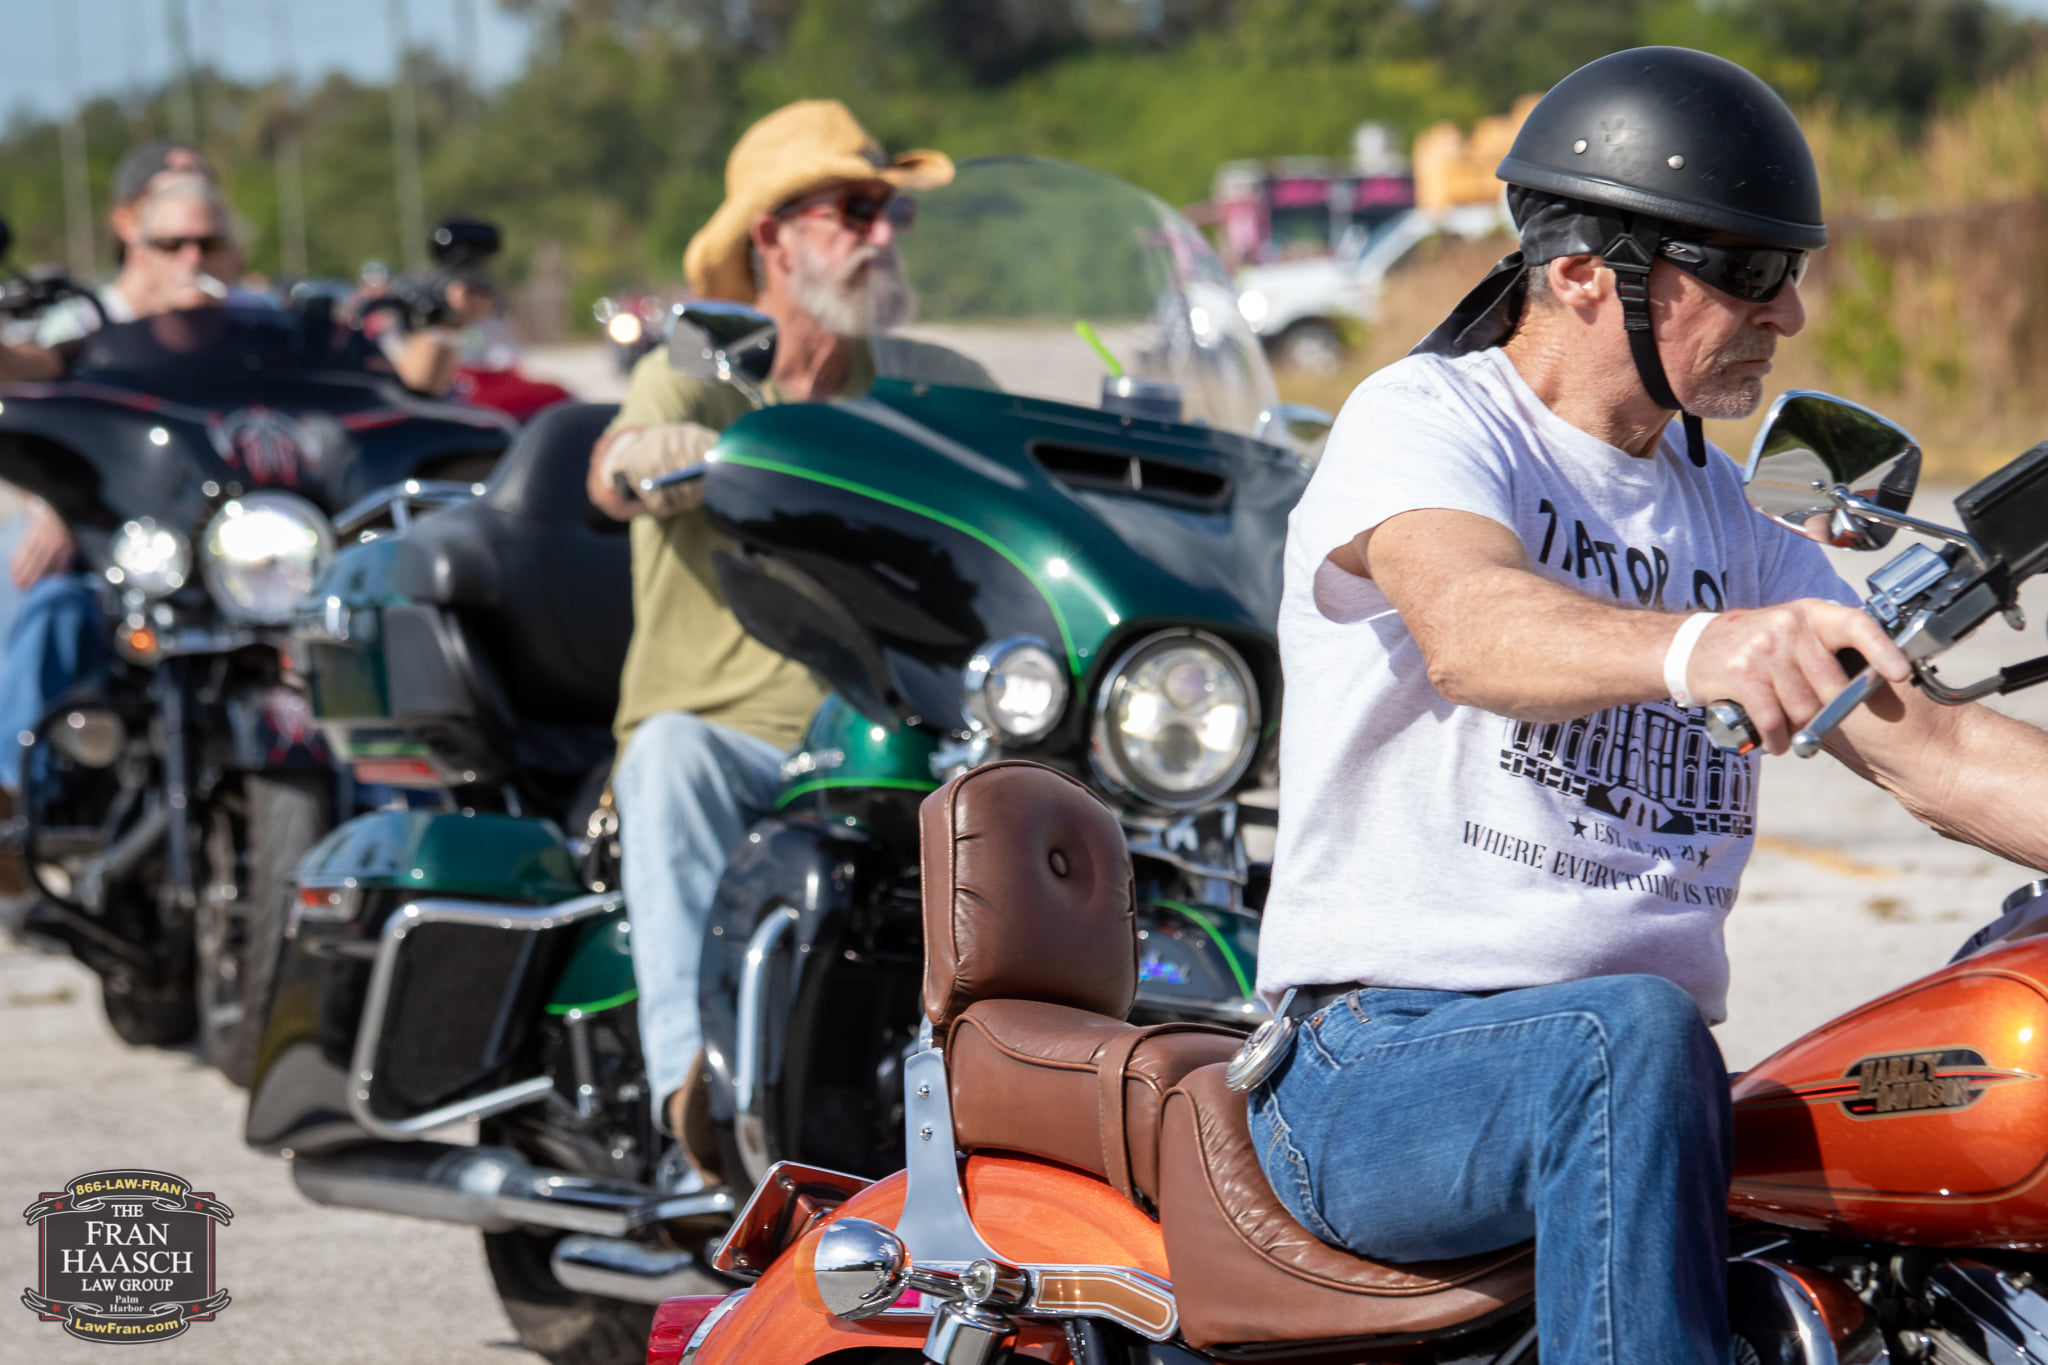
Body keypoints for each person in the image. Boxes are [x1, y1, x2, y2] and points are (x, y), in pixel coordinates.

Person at [1250, 46, 2048, 1365]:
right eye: (1746, 272)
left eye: (1791, 270)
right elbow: (1469, 624)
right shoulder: (1428, 423)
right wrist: (1699, 648)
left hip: (1631, 1077)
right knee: (1627, 1039)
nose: (1787, 313)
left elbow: (1943, 752)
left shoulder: (1731, 520)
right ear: (1580, 274)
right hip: (1374, 1063)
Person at [584, 99, 952, 1179]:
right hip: (738, 742)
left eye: (891, 212)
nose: (881, 234)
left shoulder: (923, 387)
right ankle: (697, 1096)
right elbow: (608, 472)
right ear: (772, 238)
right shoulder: (695, 373)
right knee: (672, 759)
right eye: (852, 209)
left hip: (893, 737)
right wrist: (660, 453)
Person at [2, 173, 241, 797]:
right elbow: (30, 381)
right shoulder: (93, 329)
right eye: (174, 244)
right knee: (49, 602)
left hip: (250, 564)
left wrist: (445, 324)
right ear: (136, 245)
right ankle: (16, 798)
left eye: (210, 244)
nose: (194, 259)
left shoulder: (263, 334)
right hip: (128, 551)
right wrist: (62, 501)